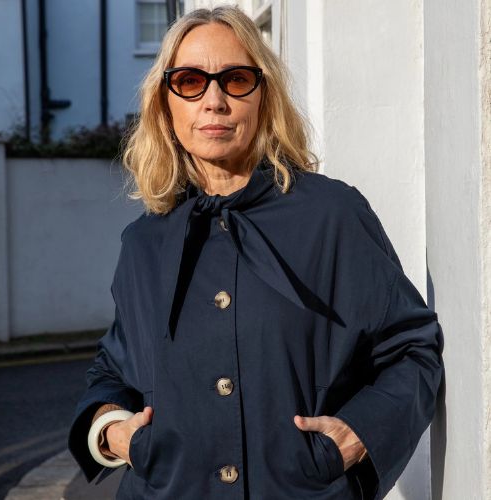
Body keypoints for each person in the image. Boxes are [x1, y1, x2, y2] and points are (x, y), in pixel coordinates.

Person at [68, 6, 444, 500]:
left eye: (236, 79)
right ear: (165, 103)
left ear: (264, 96)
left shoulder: (332, 216)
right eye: (190, 82)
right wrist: (115, 432)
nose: (214, 101)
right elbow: (114, 370)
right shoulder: (144, 242)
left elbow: (411, 347)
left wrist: (355, 437)